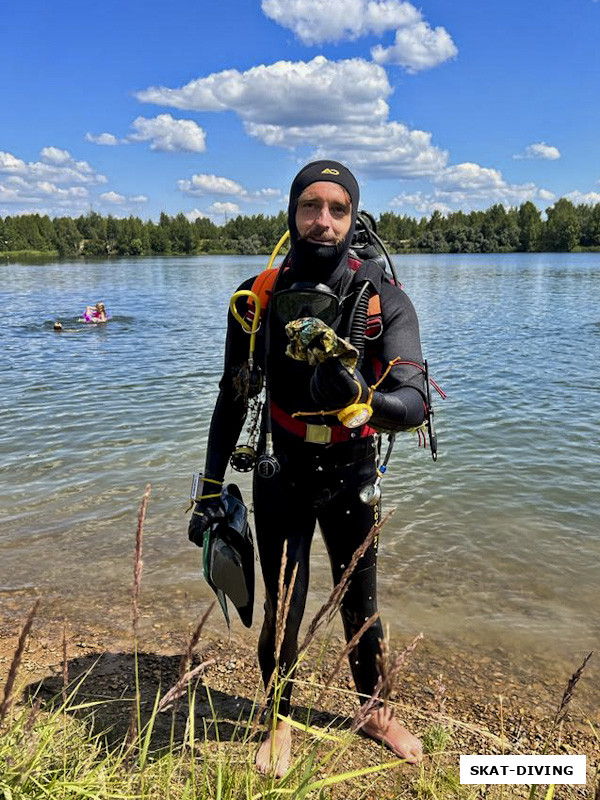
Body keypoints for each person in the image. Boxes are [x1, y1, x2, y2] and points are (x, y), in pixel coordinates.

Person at [188, 160, 428, 776]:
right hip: (280, 468)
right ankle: (278, 720)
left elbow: (415, 399)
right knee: (284, 604)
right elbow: (232, 394)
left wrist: (366, 404)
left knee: (361, 602)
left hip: (353, 468)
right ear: (292, 214)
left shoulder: (384, 299)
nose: (323, 221)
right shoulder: (256, 297)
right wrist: (210, 488)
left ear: (354, 218)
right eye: (310, 207)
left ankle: (374, 711)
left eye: (338, 209)